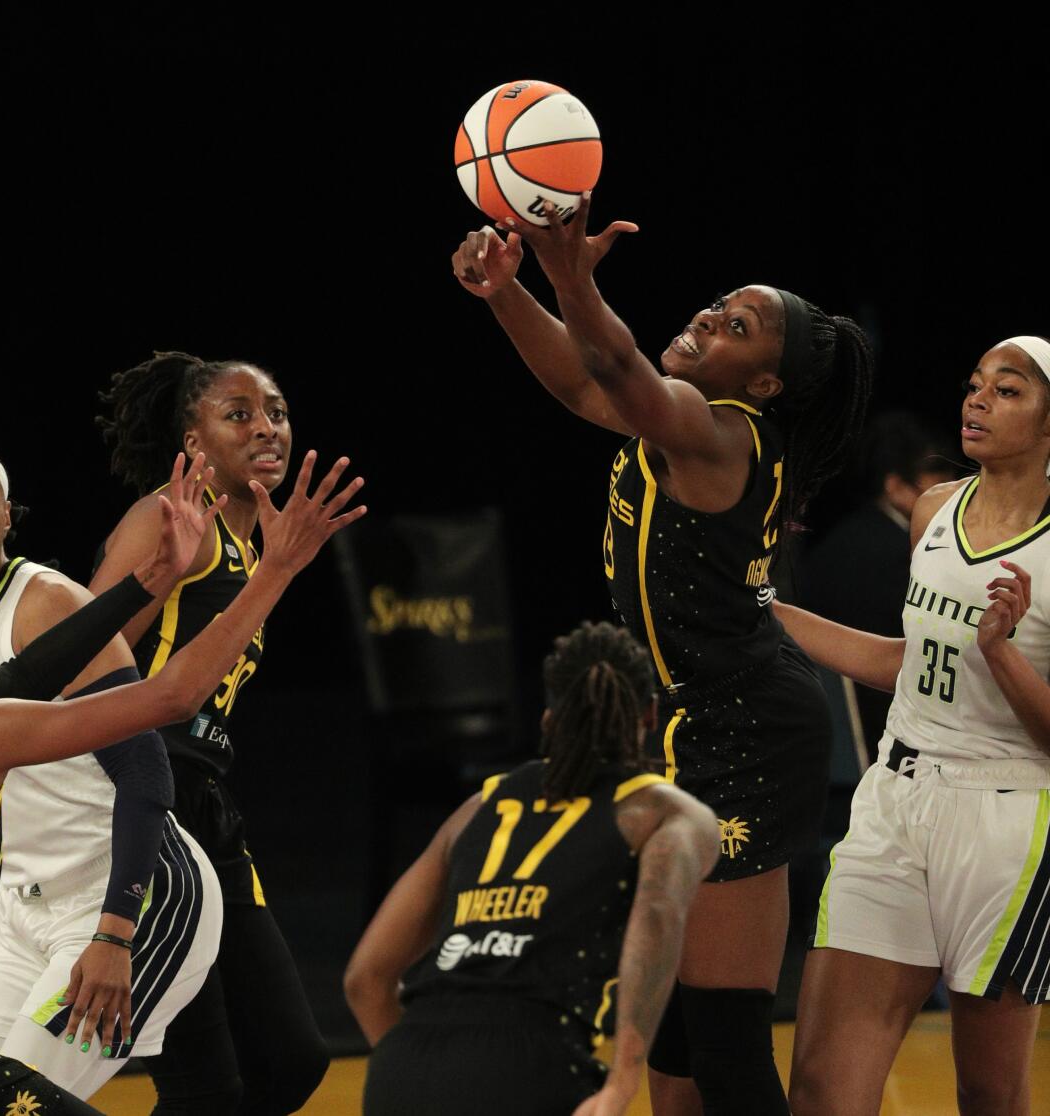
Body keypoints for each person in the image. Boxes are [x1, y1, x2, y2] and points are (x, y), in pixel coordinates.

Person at [450, 195, 874, 1115]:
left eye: (737, 327)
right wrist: (505, 293)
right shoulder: (674, 424)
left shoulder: (722, 437)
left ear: (764, 385)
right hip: (684, 722)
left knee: (722, 1043)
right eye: (719, 305)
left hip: (748, 738)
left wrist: (570, 275)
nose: (709, 319)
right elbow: (580, 382)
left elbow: (616, 364)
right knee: (679, 1035)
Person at [0, 449, 364, 1115]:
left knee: (218, 1077)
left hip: (116, 898)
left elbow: (39, 672)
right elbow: (173, 695)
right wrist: (278, 569)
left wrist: (150, 579)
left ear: (7, 514)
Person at [0, 438, 222, 1102]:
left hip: (130, 899)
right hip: (21, 913)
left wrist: (113, 932)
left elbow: (146, 770)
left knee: (21, 1103)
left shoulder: (43, 602)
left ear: (7, 516)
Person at [774, 336, 1050, 1116]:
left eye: (1008, 389)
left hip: (1006, 820)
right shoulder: (932, 509)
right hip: (896, 796)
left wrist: (1002, 654)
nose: (978, 399)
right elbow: (911, 662)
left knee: (989, 1095)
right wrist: (767, 613)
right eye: (974, 384)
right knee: (823, 1087)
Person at [344, 621, 719, 1116]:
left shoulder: (480, 805)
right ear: (650, 714)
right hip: (531, 1061)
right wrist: (623, 1080)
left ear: (548, 719)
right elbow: (658, 916)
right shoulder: (669, 814)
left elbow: (364, 980)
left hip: (405, 1065)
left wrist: (420, 1068)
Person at [92, 352, 331, 1114]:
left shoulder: (257, 548)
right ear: (193, 444)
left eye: (278, 412)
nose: (267, 427)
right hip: (138, 801)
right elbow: (76, 658)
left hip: (205, 808)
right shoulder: (167, 520)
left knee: (290, 1062)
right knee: (205, 1089)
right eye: (239, 414)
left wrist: (278, 572)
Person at [798, 410, 959, 755]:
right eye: (938, 486)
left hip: (820, 728)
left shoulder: (836, 539)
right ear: (896, 486)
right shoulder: (896, 555)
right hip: (874, 735)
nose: (952, 504)